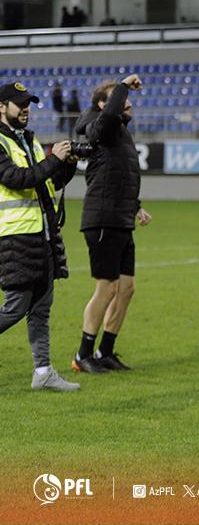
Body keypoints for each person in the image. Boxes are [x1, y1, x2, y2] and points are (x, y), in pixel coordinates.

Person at [0, 82, 79, 392]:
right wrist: (53, 160)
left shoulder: (27, 141)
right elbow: (18, 179)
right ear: (2, 107)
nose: (26, 109)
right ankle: (43, 370)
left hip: (42, 236)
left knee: (42, 308)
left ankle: (43, 371)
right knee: (17, 307)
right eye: (20, 104)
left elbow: (46, 184)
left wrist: (66, 166)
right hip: (15, 237)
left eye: (28, 103)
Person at [72, 75, 151, 374]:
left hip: (120, 219)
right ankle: (82, 354)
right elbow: (105, 123)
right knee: (106, 288)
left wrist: (137, 208)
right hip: (102, 219)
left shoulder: (118, 132)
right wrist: (121, 86)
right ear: (105, 105)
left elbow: (117, 176)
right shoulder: (101, 127)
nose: (128, 102)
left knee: (126, 288)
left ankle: (105, 351)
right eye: (121, 99)